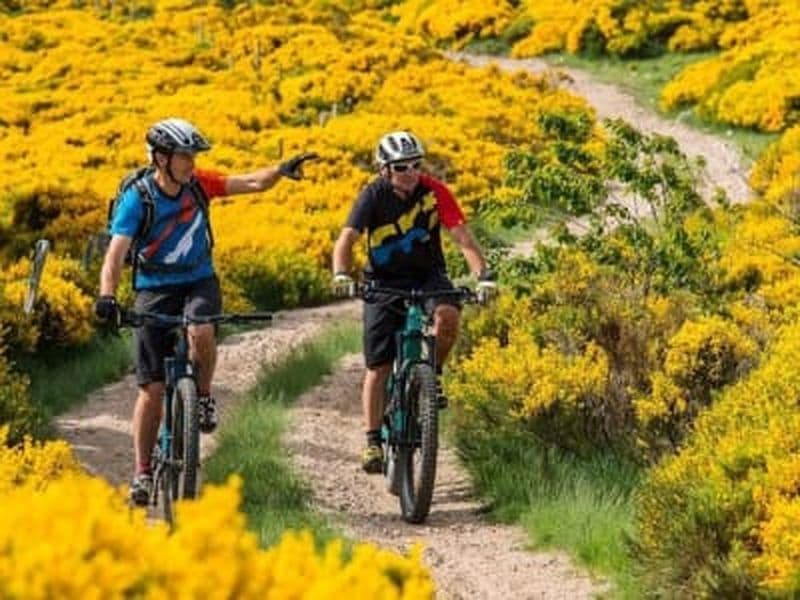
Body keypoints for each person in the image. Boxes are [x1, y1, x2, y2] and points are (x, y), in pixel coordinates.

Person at [94, 117, 317, 505]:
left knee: (201, 330)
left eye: (193, 155)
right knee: (151, 390)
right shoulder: (139, 198)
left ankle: (204, 395)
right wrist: (107, 297)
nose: (192, 162)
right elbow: (115, 254)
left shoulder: (199, 185)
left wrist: (280, 172)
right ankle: (143, 472)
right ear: (162, 158)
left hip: (199, 281)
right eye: (185, 156)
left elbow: (249, 183)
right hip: (153, 289)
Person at [331, 130, 496, 474]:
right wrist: (342, 274)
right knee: (379, 366)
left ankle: (431, 373)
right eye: (402, 166)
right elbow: (347, 238)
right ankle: (373, 441)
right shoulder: (372, 196)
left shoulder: (435, 192)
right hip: (383, 282)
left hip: (428, 276)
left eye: (416, 165)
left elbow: (462, 236)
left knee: (448, 316)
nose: (411, 172)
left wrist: (483, 275)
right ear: (385, 170)